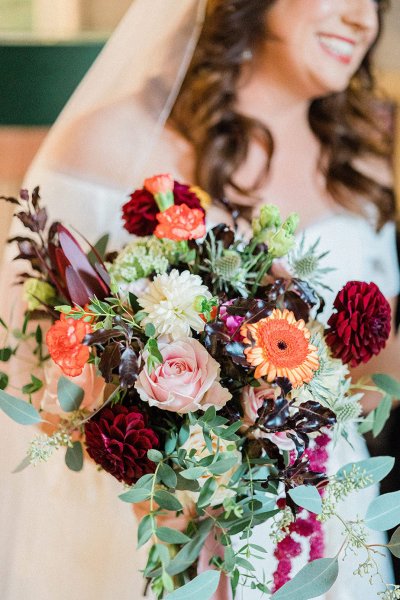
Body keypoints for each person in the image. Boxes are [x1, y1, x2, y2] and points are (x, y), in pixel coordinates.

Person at [0, 1, 399, 598]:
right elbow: (31, 360)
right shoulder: (112, 142)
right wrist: (176, 473)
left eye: (376, 2)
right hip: (140, 521)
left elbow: (368, 380)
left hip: (316, 515)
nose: (362, 21)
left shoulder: (362, 161)